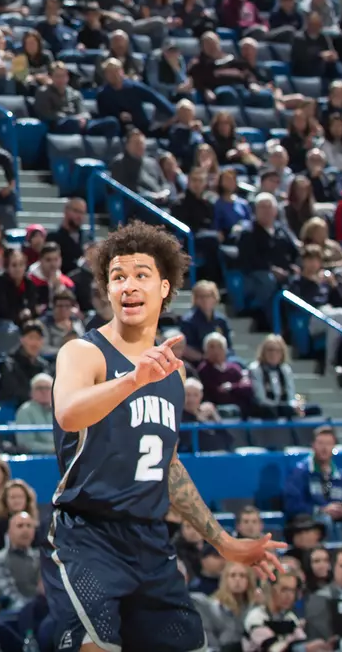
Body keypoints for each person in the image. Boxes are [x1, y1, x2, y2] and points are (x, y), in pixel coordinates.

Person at [45, 220, 283, 652]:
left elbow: (167, 464)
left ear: (164, 287)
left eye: (141, 275)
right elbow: (69, 412)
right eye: (117, 277)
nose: (128, 285)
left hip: (151, 541)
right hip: (87, 535)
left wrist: (224, 542)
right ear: (107, 289)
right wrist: (132, 381)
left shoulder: (174, 371)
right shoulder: (84, 351)